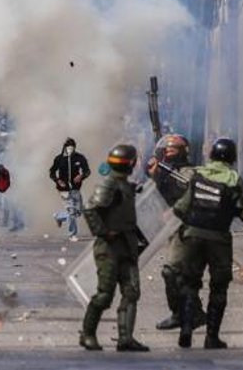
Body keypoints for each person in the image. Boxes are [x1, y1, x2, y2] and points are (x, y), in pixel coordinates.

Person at [174, 138, 243, 350]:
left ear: (211, 155)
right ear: (232, 157)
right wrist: (232, 209)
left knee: (190, 284)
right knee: (218, 288)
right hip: (218, 239)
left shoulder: (197, 175)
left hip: (192, 237)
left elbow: (181, 208)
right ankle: (211, 338)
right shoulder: (234, 179)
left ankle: (185, 329)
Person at [79, 144, 148, 352]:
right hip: (109, 247)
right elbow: (91, 209)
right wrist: (104, 232)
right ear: (130, 164)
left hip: (127, 245)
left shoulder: (125, 185)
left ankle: (125, 339)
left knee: (131, 292)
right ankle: (88, 334)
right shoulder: (110, 184)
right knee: (104, 295)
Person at [145, 134, 206, 331]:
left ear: (184, 151)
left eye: (174, 149)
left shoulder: (190, 172)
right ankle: (192, 313)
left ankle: (183, 314)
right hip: (173, 230)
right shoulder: (162, 172)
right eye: (167, 149)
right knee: (180, 274)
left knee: (173, 272)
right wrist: (155, 175)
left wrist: (163, 175)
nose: (169, 152)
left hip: (189, 228)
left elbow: (185, 189)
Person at [49, 138, 91, 241]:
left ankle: (59, 216)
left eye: (72, 148)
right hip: (64, 190)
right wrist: (58, 180)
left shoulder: (80, 158)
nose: (70, 150)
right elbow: (52, 172)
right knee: (72, 212)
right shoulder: (59, 159)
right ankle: (72, 234)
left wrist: (81, 176)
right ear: (64, 148)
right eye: (68, 148)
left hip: (76, 189)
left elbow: (87, 171)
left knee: (78, 212)